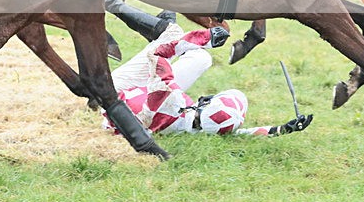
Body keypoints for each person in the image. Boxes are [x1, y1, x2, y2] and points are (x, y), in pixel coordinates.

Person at [103, 23, 313, 136]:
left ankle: (115, 5)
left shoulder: (170, 94)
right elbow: (245, 134)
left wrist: (206, 38)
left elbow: (158, 54)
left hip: (111, 94)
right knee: (201, 57)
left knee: (174, 33)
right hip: (134, 112)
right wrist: (282, 129)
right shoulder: (202, 130)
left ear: (205, 102)